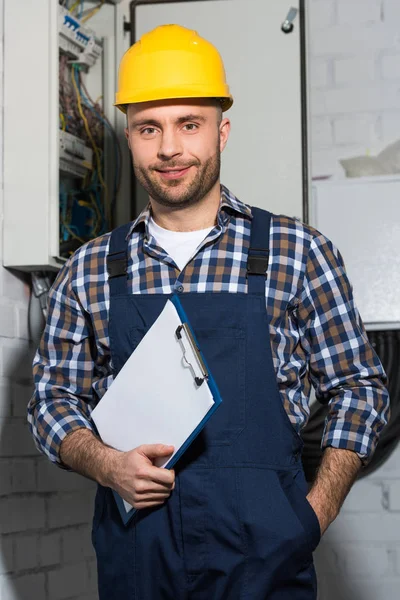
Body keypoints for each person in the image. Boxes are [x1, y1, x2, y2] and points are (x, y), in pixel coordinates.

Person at [28, 24, 389, 600]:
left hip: (267, 559)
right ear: (130, 138)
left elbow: (360, 389)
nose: (169, 148)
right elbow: (51, 401)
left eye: (188, 125)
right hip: (138, 558)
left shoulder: (298, 253)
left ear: (221, 131)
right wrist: (103, 463)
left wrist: (311, 516)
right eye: (149, 128)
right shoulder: (91, 268)